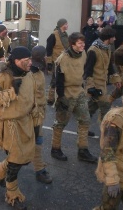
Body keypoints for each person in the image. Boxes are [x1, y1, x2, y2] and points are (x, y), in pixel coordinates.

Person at [0, 47, 35, 209]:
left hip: (26, 121)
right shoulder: (3, 76)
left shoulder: (28, 74)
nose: (30, 62)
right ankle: (12, 194)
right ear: (15, 60)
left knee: (24, 156)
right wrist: (12, 90)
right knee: (16, 160)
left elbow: (30, 96)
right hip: (10, 125)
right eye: (26, 60)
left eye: (30, 59)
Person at [51, 32, 97, 163]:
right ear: (73, 44)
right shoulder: (63, 58)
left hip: (79, 92)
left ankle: (82, 151)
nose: (83, 45)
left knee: (85, 120)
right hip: (66, 93)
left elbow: (85, 70)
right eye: (80, 43)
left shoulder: (83, 54)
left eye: (84, 43)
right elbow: (58, 80)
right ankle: (55, 149)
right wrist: (60, 98)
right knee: (60, 123)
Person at [83, 27, 121, 128]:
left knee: (91, 108)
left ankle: (83, 127)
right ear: (108, 38)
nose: (115, 39)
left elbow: (109, 66)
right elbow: (88, 70)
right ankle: (107, 132)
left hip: (102, 83)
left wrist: (116, 79)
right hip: (95, 85)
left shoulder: (106, 48)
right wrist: (90, 87)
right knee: (106, 106)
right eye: (113, 37)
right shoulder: (93, 50)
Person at [30, 45, 52, 184]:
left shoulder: (38, 70)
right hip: (30, 114)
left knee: (36, 141)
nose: (47, 58)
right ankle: (39, 170)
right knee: (32, 143)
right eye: (45, 55)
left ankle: (39, 169)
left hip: (38, 113)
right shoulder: (30, 73)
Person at [46, 18, 69, 105]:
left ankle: (61, 97)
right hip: (56, 61)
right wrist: (49, 62)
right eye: (66, 24)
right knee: (55, 80)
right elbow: (48, 49)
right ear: (62, 25)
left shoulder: (65, 34)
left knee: (64, 79)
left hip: (65, 60)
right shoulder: (53, 35)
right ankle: (50, 98)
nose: (67, 25)